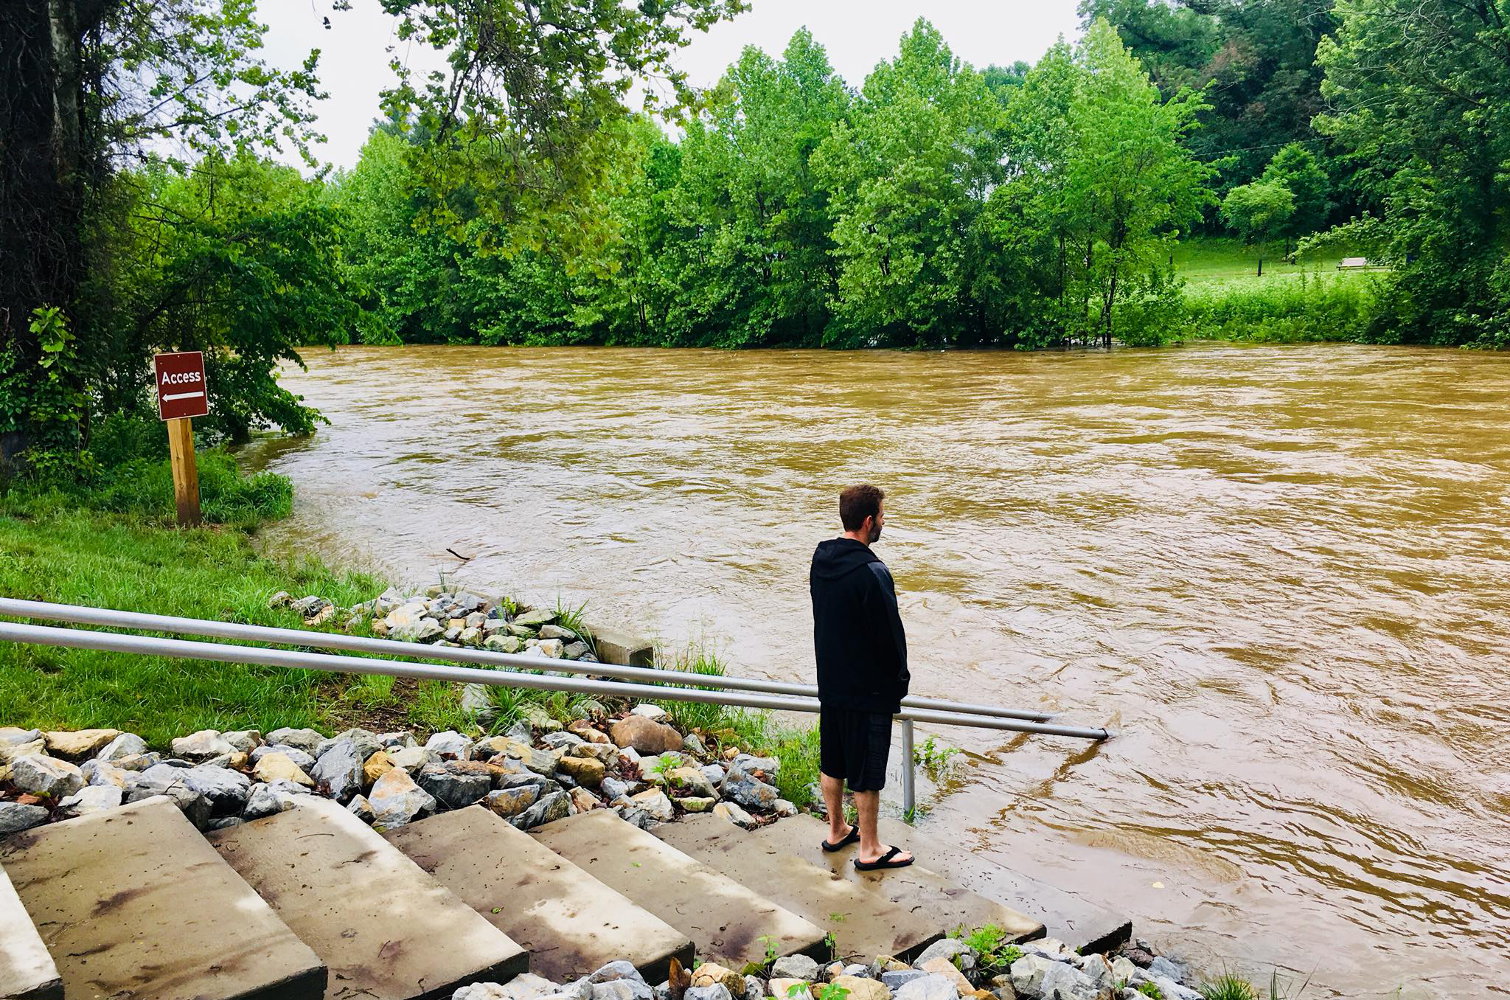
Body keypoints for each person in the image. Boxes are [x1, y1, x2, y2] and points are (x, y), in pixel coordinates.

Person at [809, 483, 914, 871]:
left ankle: (836, 829)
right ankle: (870, 849)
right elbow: (891, 636)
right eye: (883, 516)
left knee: (833, 759)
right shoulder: (873, 571)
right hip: (868, 689)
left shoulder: (821, 559)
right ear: (869, 521)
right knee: (868, 770)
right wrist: (898, 683)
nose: (884, 522)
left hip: (831, 681)